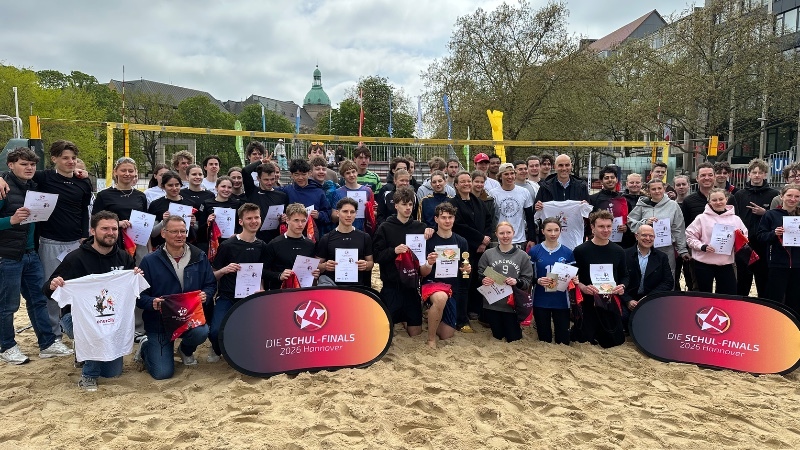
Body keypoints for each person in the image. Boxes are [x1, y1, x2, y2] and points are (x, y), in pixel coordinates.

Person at [44, 211, 143, 391]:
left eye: (114, 228)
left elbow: (134, 292)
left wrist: (134, 276)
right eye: (104, 228)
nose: (110, 232)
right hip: (75, 318)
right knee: (95, 332)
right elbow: (47, 292)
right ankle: (88, 375)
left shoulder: (124, 258)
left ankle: (83, 352)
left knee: (112, 373)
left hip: (110, 318)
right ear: (92, 231)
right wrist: (53, 285)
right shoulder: (75, 258)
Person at [0, 148, 75, 365]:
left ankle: (47, 343)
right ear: (11, 165)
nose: (29, 168)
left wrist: (77, 172)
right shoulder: (4, 189)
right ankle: (7, 346)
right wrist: (10, 221)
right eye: (24, 164)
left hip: (31, 253)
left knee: (39, 300)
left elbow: (62, 175)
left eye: (32, 164)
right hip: (8, 256)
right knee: (8, 305)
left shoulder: (33, 187)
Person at [23, 141, 93, 341]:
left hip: (76, 242)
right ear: (54, 159)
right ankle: (53, 335)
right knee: (52, 288)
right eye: (65, 158)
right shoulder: (43, 177)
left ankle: (76, 328)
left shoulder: (83, 182)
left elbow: (83, 211)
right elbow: (16, 174)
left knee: (77, 287)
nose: (70, 162)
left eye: (72, 158)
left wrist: (83, 235)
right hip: (50, 241)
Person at [136, 215, 214, 380]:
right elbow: (139, 296)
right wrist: (152, 303)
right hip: (159, 323)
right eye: (174, 232)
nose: (180, 235)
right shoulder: (149, 261)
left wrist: (205, 294)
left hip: (189, 318)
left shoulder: (199, 256)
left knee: (202, 332)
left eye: (183, 231)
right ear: (163, 233)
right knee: (163, 373)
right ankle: (146, 347)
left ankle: (185, 350)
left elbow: (210, 284)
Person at [208, 203, 269, 362]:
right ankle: (216, 350)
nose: (254, 221)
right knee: (215, 332)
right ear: (241, 221)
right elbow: (212, 275)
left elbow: (260, 274)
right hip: (227, 296)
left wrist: (261, 289)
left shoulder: (262, 246)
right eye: (249, 218)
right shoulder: (228, 245)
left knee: (256, 332)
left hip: (250, 297)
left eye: (256, 217)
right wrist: (224, 270)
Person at [372, 186, 429, 333]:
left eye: (410, 204)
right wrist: (393, 251)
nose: (408, 208)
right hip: (391, 287)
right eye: (404, 204)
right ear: (395, 205)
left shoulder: (420, 227)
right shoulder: (385, 227)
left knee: (415, 332)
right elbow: (377, 256)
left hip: (411, 287)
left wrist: (431, 230)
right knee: (385, 331)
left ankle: (406, 319)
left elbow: (425, 254)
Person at [571, 210, 628, 348]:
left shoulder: (618, 251)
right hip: (589, 302)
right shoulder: (580, 251)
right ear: (592, 227)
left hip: (610, 301)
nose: (606, 230)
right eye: (601, 226)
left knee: (615, 340)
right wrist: (583, 287)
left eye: (609, 226)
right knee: (583, 338)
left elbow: (625, 276)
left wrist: (622, 287)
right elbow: (573, 278)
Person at [419, 203, 470, 348]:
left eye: (450, 217)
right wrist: (429, 263)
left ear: (454, 219)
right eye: (443, 217)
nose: (447, 221)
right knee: (441, 297)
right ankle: (430, 340)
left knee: (446, 334)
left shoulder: (461, 241)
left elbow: (464, 271)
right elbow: (422, 272)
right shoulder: (428, 240)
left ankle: (432, 312)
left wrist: (466, 269)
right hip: (432, 283)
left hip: (452, 287)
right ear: (436, 219)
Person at [728, 159, 778, 298]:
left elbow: (777, 218)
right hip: (744, 244)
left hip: (763, 244)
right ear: (749, 174)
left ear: (765, 175)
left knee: (763, 281)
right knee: (742, 282)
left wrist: (765, 213)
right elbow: (733, 218)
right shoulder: (739, 195)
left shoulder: (773, 194)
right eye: (754, 172)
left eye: (760, 173)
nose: (757, 175)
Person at [477, 222, 534, 343]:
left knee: (513, 338)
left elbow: (527, 281)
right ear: (496, 234)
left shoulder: (522, 256)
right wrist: (483, 279)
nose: (505, 236)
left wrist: (516, 281)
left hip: (512, 305)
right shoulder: (488, 254)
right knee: (497, 336)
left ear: (513, 233)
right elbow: (480, 273)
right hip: (493, 304)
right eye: (501, 233)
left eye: (508, 232)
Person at [450, 171, 492, 331]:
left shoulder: (478, 202)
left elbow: (489, 221)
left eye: (469, 181)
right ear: (456, 185)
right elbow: (459, 226)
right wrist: (480, 238)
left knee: (478, 280)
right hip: (464, 249)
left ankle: (475, 311)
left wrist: (485, 239)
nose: (467, 184)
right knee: (463, 282)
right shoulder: (453, 203)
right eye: (463, 182)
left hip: (481, 249)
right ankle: (461, 317)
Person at [685, 188, 745, 295]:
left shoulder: (735, 219)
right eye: (714, 200)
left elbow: (745, 237)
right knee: (703, 296)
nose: (718, 202)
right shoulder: (701, 218)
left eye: (721, 199)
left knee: (727, 295)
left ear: (726, 199)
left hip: (725, 263)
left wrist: (738, 239)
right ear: (709, 202)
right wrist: (702, 246)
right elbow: (690, 236)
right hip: (704, 263)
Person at [628, 179, 689, 277]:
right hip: (645, 249)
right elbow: (631, 221)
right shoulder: (642, 205)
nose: (657, 191)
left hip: (666, 249)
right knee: (645, 275)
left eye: (659, 188)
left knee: (667, 275)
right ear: (649, 191)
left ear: (664, 189)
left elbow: (678, 228)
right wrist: (644, 222)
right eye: (654, 189)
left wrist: (682, 250)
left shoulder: (673, 205)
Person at [92, 157, 149, 260]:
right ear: (115, 172)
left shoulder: (141, 196)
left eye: (131, 171)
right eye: (123, 170)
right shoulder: (104, 195)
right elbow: (95, 220)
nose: (127, 173)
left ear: (135, 173)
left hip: (136, 243)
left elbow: (145, 221)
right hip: (112, 240)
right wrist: (117, 223)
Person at [529, 217, 574, 345]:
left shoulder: (567, 252)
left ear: (560, 231)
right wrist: (537, 280)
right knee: (544, 340)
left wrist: (573, 279)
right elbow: (527, 276)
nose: (553, 234)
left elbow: (572, 277)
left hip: (561, 301)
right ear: (543, 231)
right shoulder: (534, 251)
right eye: (549, 230)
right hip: (541, 300)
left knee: (563, 340)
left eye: (556, 230)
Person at [757, 184, 800, 314]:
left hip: (798, 266)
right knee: (775, 298)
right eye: (789, 195)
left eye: (797, 196)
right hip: (778, 264)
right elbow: (760, 236)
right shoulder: (771, 215)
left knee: (795, 300)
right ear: (781, 196)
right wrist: (773, 233)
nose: (793, 199)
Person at [622, 225, 673, 327]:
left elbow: (668, 282)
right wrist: (628, 300)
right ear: (636, 236)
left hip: (651, 298)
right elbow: (617, 280)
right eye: (644, 235)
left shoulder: (662, 257)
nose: (648, 238)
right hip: (629, 298)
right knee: (624, 318)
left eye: (651, 236)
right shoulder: (624, 255)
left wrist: (648, 298)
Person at [316, 198, 374, 288]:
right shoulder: (326, 238)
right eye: (345, 211)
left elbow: (371, 263)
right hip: (332, 286)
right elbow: (316, 265)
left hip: (357, 288)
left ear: (356, 214)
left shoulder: (364, 237)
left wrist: (366, 265)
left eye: (352, 212)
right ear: (337, 213)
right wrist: (325, 266)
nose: (349, 215)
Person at [263, 203, 319, 290]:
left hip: (302, 292)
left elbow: (311, 269)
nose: (300, 224)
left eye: (303, 221)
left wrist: (314, 274)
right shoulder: (274, 243)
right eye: (296, 220)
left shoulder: (310, 244)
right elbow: (262, 271)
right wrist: (279, 275)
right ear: (287, 220)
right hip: (280, 293)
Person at [681, 162, 715, 290]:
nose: (707, 178)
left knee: (725, 290)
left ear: (715, 177)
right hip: (697, 252)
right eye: (703, 175)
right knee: (699, 288)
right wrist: (685, 249)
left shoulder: (728, 198)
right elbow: (683, 227)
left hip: (723, 253)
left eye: (710, 175)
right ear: (697, 178)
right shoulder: (689, 201)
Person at [488, 163, 537, 250]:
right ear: (500, 176)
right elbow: (489, 218)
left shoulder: (524, 192)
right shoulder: (493, 193)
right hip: (499, 240)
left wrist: (531, 238)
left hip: (519, 239)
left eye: (512, 173)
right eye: (506, 174)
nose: (509, 177)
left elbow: (529, 217)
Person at [280, 159, 332, 236]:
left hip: (312, 236)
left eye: (303, 174)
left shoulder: (319, 192)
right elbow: (280, 212)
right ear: (291, 175)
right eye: (296, 174)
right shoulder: (287, 190)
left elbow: (328, 214)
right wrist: (282, 217)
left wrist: (319, 215)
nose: (300, 178)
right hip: (291, 236)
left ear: (309, 173)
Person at [241, 161, 289, 244]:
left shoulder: (282, 196)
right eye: (266, 179)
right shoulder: (252, 191)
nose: (270, 183)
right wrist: (260, 161)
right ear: (258, 178)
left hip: (275, 238)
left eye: (272, 179)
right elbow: (245, 171)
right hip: (255, 238)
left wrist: (284, 218)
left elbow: (286, 215)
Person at [148, 171, 198, 250]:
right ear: (163, 186)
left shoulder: (190, 203)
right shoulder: (156, 205)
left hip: (186, 247)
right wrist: (163, 222)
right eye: (170, 185)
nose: (174, 188)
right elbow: (152, 233)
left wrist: (193, 223)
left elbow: (196, 229)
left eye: (177, 185)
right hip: (163, 248)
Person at [195, 176, 241, 254]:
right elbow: (200, 229)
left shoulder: (237, 204)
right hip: (212, 244)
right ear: (216, 188)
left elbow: (240, 224)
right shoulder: (206, 203)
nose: (226, 190)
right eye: (223, 186)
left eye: (229, 187)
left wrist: (237, 235)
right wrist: (208, 222)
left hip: (230, 243)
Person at [588, 165, 628, 243]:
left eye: (612, 177)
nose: (610, 180)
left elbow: (628, 221)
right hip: (599, 243)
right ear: (601, 181)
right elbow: (589, 222)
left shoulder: (623, 199)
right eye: (606, 178)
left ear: (616, 180)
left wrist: (626, 228)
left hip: (620, 243)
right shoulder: (592, 199)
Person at [332, 160, 373, 232]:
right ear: (343, 176)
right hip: (344, 231)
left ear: (357, 172)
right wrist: (344, 212)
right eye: (347, 173)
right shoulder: (338, 192)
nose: (351, 175)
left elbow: (373, 214)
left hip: (363, 231)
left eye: (353, 172)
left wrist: (370, 209)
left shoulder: (367, 191)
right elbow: (333, 217)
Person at [471, 171, 496, 237]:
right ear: (471, 182)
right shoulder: (465, 199)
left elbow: (491, 222)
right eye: (476, 182)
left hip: (485, 238)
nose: (479, 184)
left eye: (482, 182)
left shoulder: (489, 201)